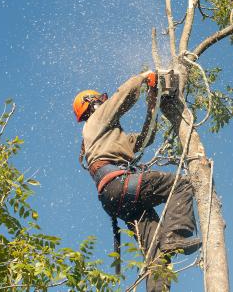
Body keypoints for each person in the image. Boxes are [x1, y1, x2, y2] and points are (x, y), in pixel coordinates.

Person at [73, 70, 201, 292]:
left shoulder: (109, 137)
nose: (104, 104)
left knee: (156, 251)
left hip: (116, 197)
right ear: (92, 104)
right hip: (120, 184)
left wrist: (152, 104)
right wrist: (144, 77)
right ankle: (176, 234)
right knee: (181, 185)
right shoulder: (96, 119)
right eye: (100, 102)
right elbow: (124, 95)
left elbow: (145, 139)